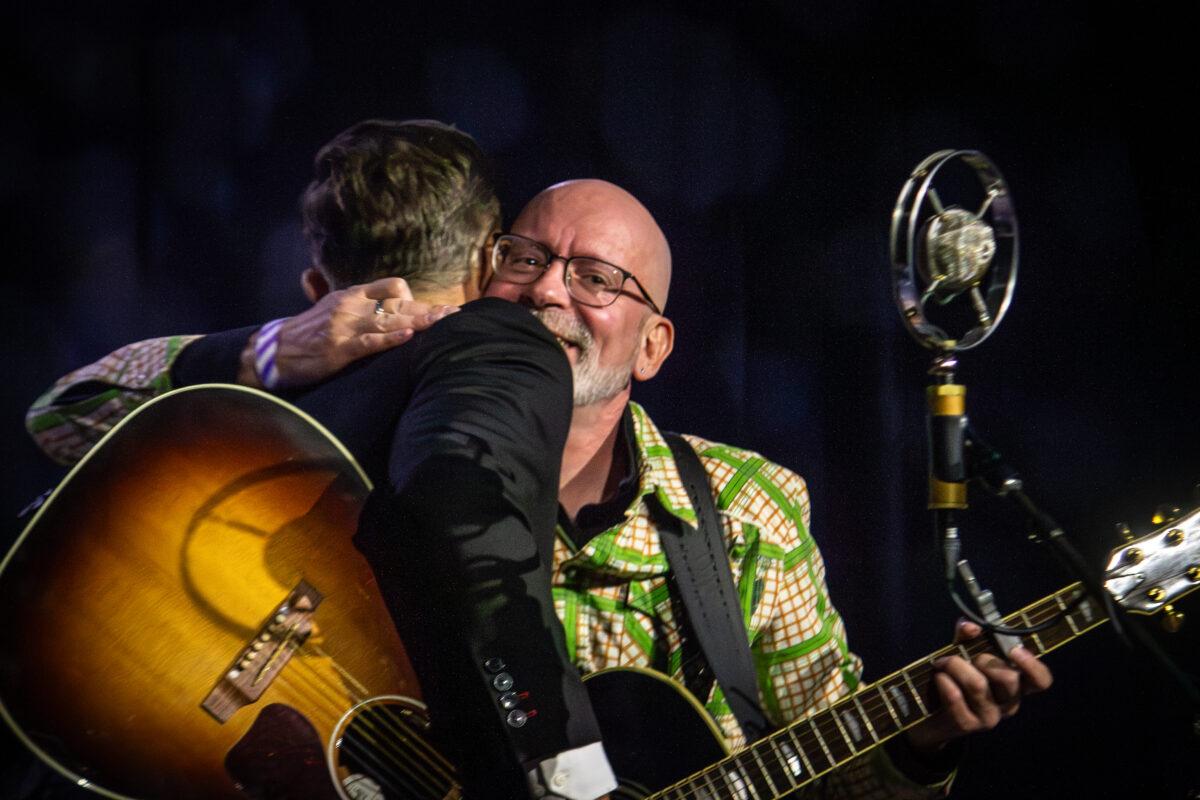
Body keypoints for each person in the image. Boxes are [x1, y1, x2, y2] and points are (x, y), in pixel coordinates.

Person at [27, 167, 1052, 796]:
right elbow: (67, 419)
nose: (551, 289)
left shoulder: (748, 508)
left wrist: (921, 744)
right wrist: (272, 349)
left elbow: (822, 765)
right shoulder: (383, 413)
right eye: (525, 258)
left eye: (598, 278)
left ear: (653, 345)